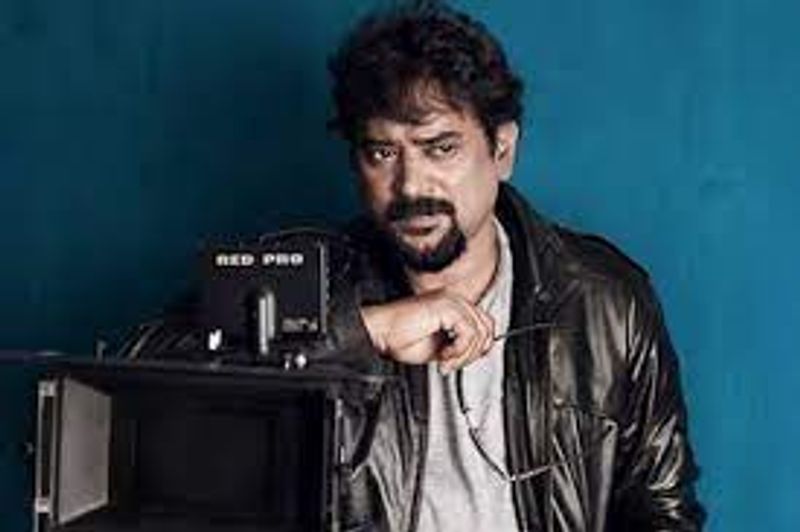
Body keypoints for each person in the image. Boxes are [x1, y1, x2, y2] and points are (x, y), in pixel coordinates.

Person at [123, 6, 705, 531]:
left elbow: (662, 512)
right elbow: (130, 389)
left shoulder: (605, 300)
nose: (410, 186)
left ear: (502, 150)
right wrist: (364, 329)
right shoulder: (308, 280)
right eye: (382, 153)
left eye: (440, 148)